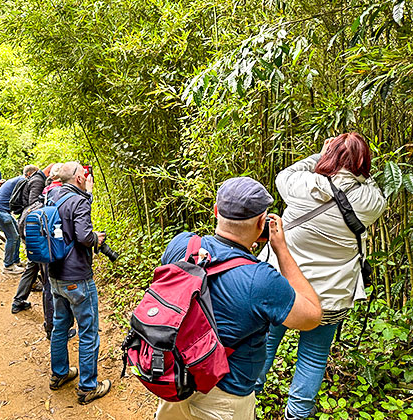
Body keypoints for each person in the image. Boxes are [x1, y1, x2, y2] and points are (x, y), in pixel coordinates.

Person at [156, 176, 322, 420]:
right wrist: (281, 249)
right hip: (224, 398)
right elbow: (312, 317)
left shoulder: (182, 244)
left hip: (175, 377)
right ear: (261, 223)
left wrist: (238, 251)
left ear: (215, 211)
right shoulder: (261, 280)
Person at [255, 133, 386, 420]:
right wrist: (357, 167)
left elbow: (283, 175)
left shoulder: (303, 186)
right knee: (313, 357)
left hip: (283, 288)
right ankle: (297, 414)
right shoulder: (371, 202)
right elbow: (372, 186)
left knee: (265, 341)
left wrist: (322, 155)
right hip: (330, 298)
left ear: (328, 156)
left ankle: (249, 397)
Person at [46, 161, 112, 405]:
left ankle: (59, 373)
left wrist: (88, 195)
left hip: (54, 274)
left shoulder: (52, 195)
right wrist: (97, 238)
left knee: (60, 325)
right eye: (84, 174)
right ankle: (87, 387)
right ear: (79, 178)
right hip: (77, 278)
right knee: (88, 329)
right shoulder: (79, 201)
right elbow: (84, 236)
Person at [12, 164, 47, 313]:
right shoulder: (38, 180)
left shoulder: (33, 179)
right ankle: (52, 319)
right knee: (45, 268)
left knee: (33, 265)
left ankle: (18, 301)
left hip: (27, 226)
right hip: (34, 228)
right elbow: (35, 204)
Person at [0, 174, 25, 274]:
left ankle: (16, 261)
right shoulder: (21, 181)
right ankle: (8, 266)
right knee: (12, 236)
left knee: (17, 233)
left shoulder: (17, 179)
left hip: (1, 209)